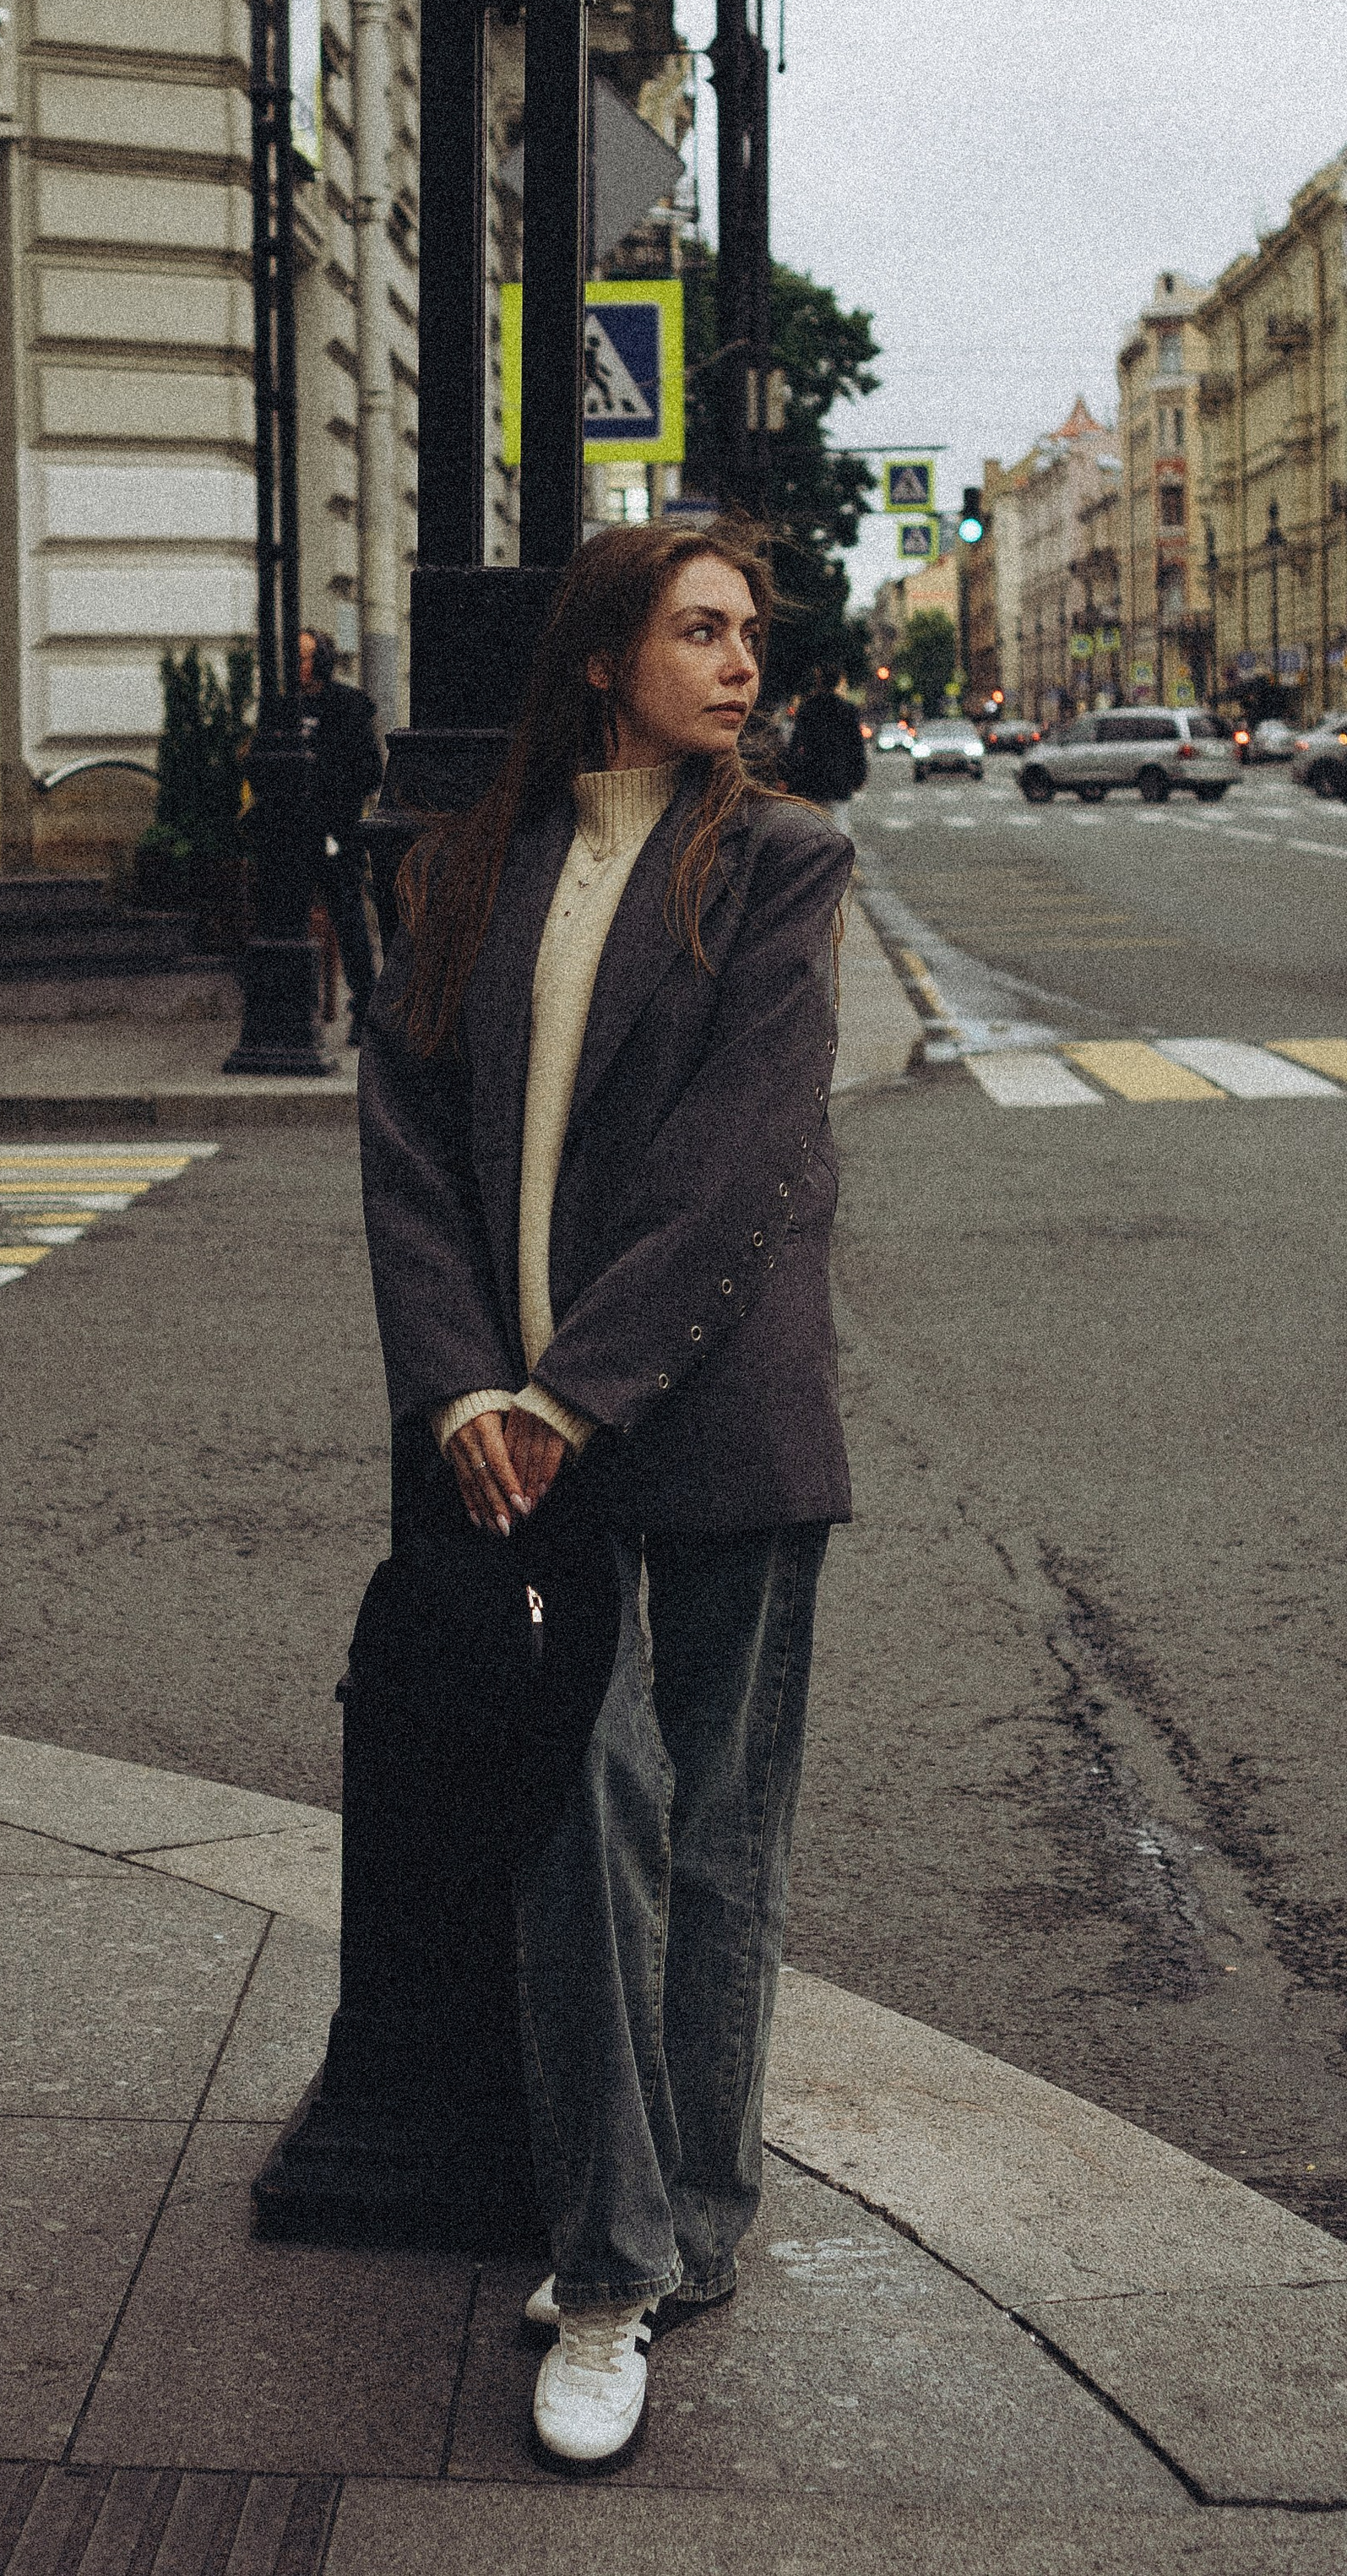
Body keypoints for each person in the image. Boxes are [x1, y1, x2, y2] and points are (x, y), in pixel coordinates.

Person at [357, 515, 854, 2472]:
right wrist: (459, 1385)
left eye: (748, 631)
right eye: (699, 627)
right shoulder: (464, 866)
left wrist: (575, 1389)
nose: (739, 661)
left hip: (710, 1416)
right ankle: (609, 2265)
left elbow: (741, 1164)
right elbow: (404, 1144)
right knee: (578, 1825)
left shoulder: (779, 858)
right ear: (599, 654)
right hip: (519, 1433)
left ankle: (688, 2224)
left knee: (716, 1834)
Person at [299, 627, 383, 1045]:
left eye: (304, 657)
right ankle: (299, 1009)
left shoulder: (347, 706)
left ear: (322, 662)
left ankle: (365, 1007)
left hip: (337, 830)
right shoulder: (285, 706)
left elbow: (371, 771)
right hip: (294, 831)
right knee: (288, 919)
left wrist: (334, 794)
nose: (297, 665)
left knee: (348, 918)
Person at [783, 668, 869, 820]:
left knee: (811, 821)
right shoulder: (847, 709)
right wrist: (859, 775)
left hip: (811, 776)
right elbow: (856, 746)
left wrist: (788, 775)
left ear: (819, 681)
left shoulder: (808, 708)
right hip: (838, 777)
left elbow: (796, 743)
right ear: (838, 682)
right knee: (837, 822)